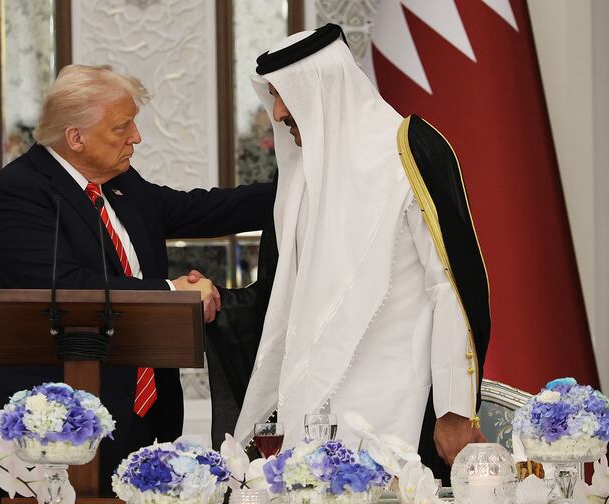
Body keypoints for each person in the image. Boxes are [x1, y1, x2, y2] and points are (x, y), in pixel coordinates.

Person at [0, 65, 274, 500]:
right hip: (44, 422)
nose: (136, 137)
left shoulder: (119, 184)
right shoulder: (19, 190)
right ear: (75, 137)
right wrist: (173, 294)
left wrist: (303, 182)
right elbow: (64, 288)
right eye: (122, 126)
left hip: (134, 412)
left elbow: (199, 210)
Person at [209, 24, 490, 480]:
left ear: (322, 87)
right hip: (310, 419)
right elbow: (284, 298)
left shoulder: (408, 152)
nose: (277, 113)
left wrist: (454, 410)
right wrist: (211, 300)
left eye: (285, 95)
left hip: (400, 409)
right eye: (272, 96)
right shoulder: (299, 179)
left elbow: (451, 288)